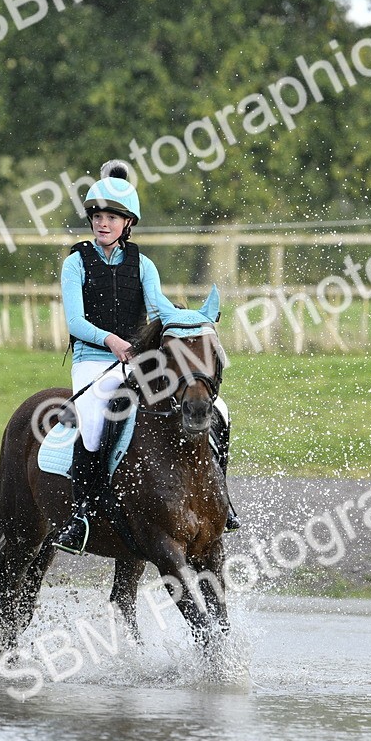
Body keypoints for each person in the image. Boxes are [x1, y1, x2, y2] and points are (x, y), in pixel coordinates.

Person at [52, 160, 239, 555]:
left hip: (139, 360)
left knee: (218, 409)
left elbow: (159, 309)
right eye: (97, 216)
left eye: (111, 217)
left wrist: (192, 322)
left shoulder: (143, 264)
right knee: (92, 423)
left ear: (127, 223)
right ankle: (82, 516)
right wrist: (112, 342)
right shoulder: (76, 263)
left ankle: (221, 498)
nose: (102, 224)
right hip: (93, 358)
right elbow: (74, 320)